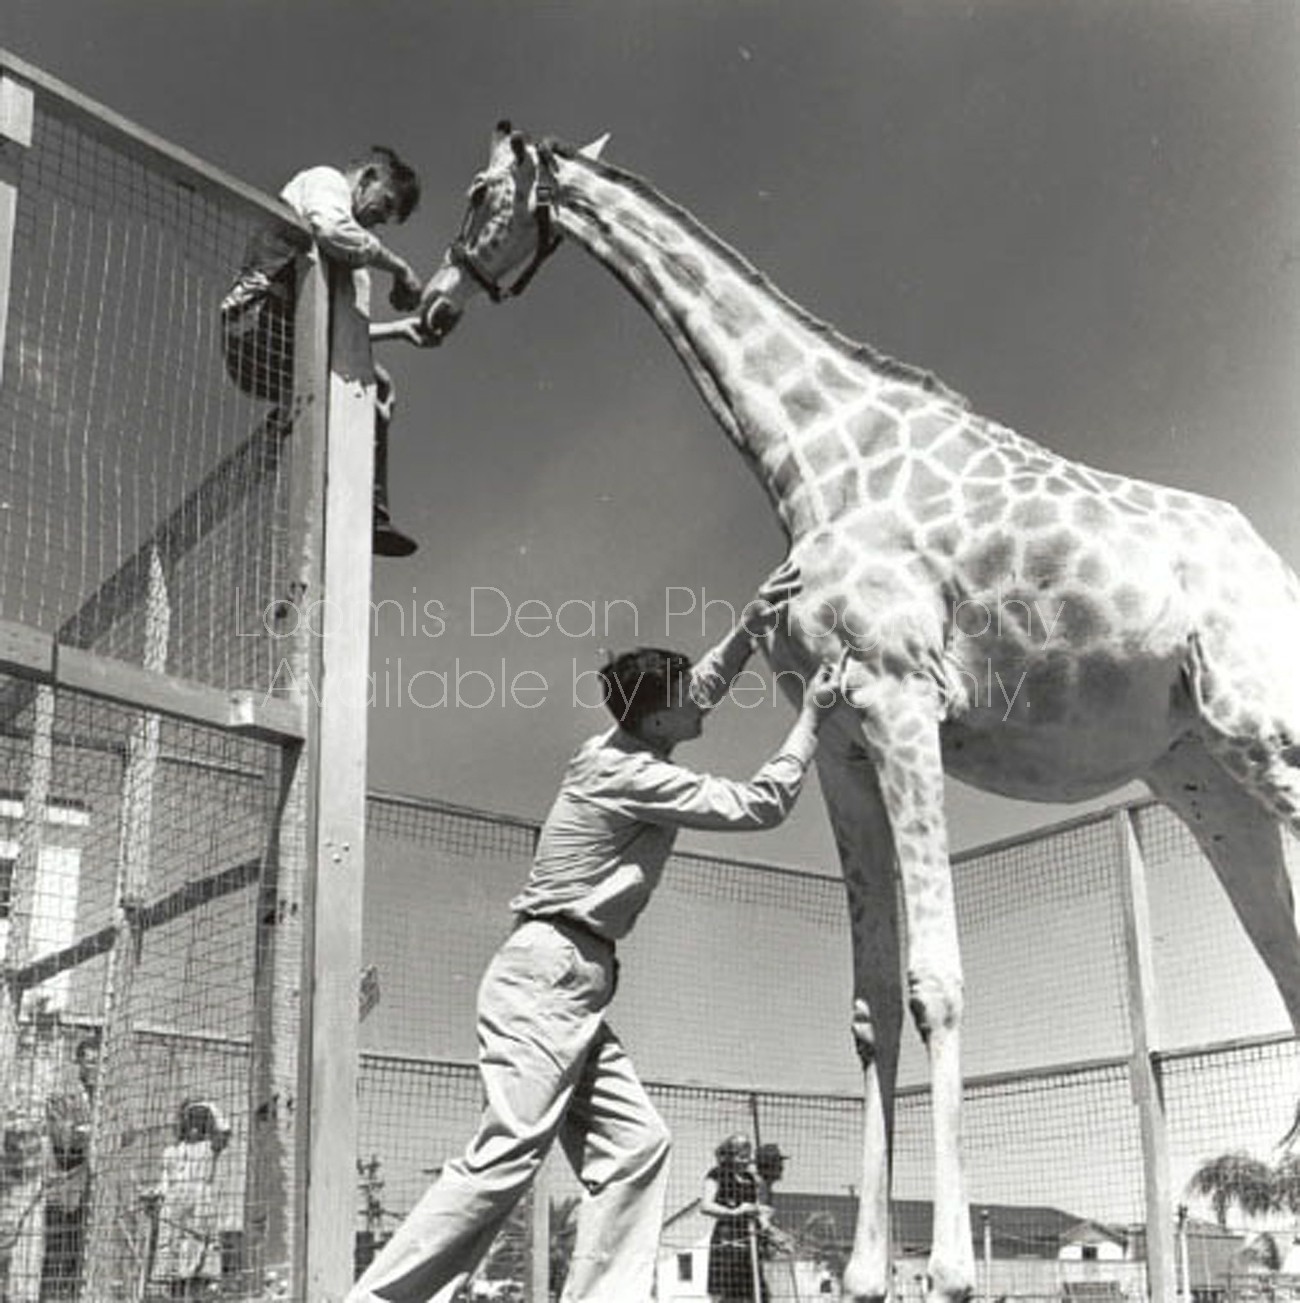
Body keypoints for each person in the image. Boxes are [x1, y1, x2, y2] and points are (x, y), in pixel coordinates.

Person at [346, 562, 840, 1303]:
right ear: (658, 721)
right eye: (684, 703)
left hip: (571, 983)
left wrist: (747, 628)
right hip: (547, 977)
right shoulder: (638, 776)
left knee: (637, 1145)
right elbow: (762, 802)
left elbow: (696, 689)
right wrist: (812, 718)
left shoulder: (622, 742)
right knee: (507, 1154)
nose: (703, 704)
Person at [219, 145, 425, 557]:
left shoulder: (342, 250)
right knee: (364, 379)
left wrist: (397, 331)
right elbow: (333, 230)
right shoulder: (325, 181)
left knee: (377, 388)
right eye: (382, 206)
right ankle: (354, 502)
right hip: (255, 325)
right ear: (367, 177)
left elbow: (336, 332)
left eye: (385, 220)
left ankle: (363, 509)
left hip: (278, 340)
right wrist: (400, 267)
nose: (377, 222)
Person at [147, 1099, 231, 1297]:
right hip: (175, 1200)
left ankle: (202, 1288)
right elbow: (165, 1182)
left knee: (201, 1243)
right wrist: (155, 1193)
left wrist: (209, 1106)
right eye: (190, 1118)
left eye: (200, 1119)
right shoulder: (170, 1152)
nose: (194, 1123)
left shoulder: (210, 1146)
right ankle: (169, 1288)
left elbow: (225, 1131)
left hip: (200, 1197)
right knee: (169, 1245)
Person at [41, 1031, 99, 1299]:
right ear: (78, 1063)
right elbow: (63, 1139)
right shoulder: (62, 1096)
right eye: (89, 1062)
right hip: (65, 1190)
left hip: (95, 1193)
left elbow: (127, 1134)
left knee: (81, 1261)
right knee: (56, 1257)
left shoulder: (105, 1097)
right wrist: (90, 1134)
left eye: (98, 1062)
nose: (94, 1068)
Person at [701, 1134, 768, 1303]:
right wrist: (734, 1212)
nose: (746, 1161)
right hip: (726, 1240)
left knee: (754, 1291)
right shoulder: (717, 1174)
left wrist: (764, 1218)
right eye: (741, 1157)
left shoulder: (752, 1179)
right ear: (730, 1155)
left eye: (748, 1156)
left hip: (750, 1239)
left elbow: (758, 1207)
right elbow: (706, 1206)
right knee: (726, 1293)